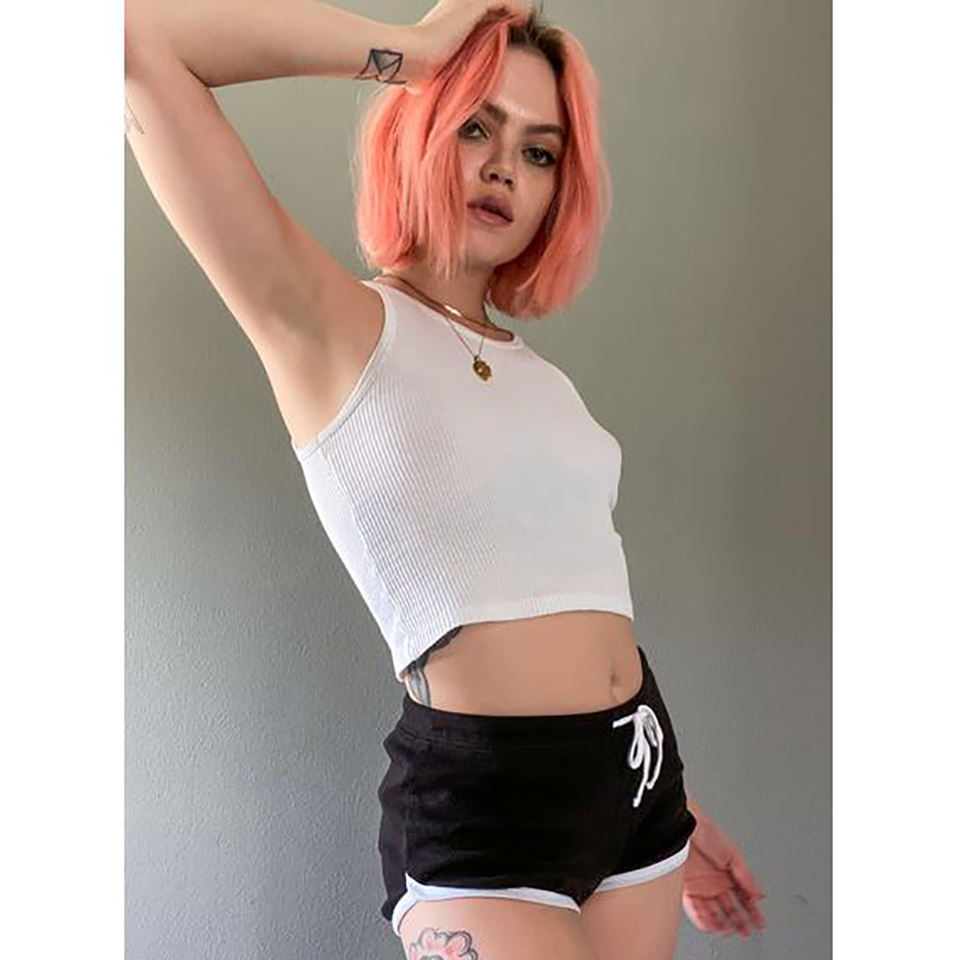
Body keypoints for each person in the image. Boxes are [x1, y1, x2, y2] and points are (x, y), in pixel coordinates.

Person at [125, 0, 767, 955]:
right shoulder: (330, 327)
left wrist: (672, 799)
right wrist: (419, 50)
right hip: (484, 808)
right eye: (475, 126)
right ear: (420, 125)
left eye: (539, 152)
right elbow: (137, 37)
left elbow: (564, 586)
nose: (504, 166)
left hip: (639, 778)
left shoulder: (545, 383)